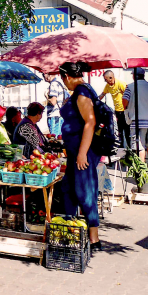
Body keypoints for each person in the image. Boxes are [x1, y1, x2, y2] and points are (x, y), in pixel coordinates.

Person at [58, 61, 101, 250]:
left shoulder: (82, 92)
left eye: (63, 80)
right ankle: (72, 228)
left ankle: (94, 239)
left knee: (86, 191)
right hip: (74, 151)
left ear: (66, 76)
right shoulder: (78, 92)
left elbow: (90, 122)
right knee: (69, 188)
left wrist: (82, 153)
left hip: (83, 151)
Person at [122, 68, 148, 164]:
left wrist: (127, 110)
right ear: (143, 75)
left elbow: (124, 102)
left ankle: (142, 167)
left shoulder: (130, 87)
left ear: (133, 76)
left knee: (139, 146)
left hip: (137, 120)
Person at [100, 71, 128, 148]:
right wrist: (95, 100)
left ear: (111, 78)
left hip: (125, 110)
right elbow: (103, 94)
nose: (105, 81)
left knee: (127, 130)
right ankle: (121, 147)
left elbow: (128, 95)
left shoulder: (120, 84)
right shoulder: (108, 86)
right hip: (117, 111)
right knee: (119, 130)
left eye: (106, 80)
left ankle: (130, 149)